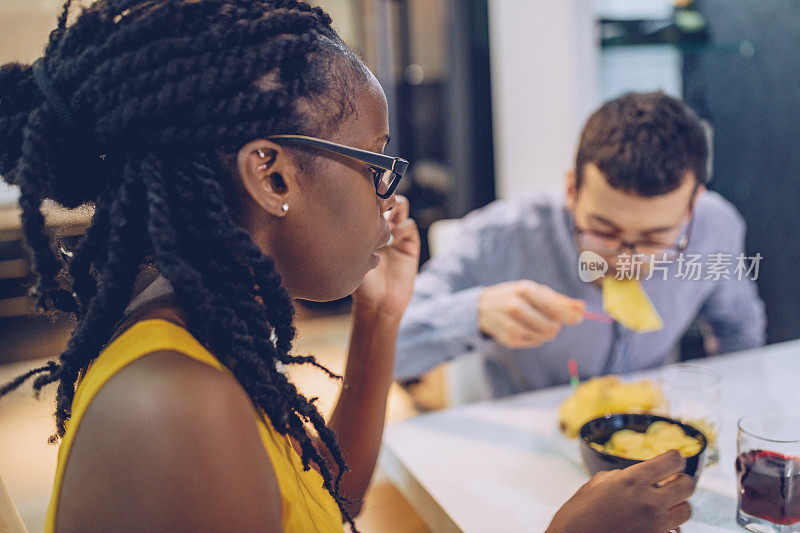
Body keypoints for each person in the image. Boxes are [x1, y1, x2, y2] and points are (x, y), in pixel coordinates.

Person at [0, 2, 694, 532]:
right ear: (272, 177)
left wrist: (381, 316)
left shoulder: (204, 322)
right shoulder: (176, 406)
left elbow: (327, 495)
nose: (392, 196)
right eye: (376, 163)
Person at [396, 92, 765, 396]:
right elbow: (389, 348)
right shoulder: (502, 237)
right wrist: (475, 314)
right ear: (572, 189)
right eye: (604, 231)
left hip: (644, 437)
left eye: (655, 238)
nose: (624, 260)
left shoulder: (716, 227)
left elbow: (739, 329)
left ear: (692, 205)